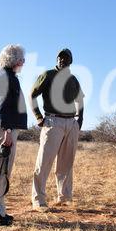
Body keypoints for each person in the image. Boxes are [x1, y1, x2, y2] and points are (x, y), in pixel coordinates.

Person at [31, 48, 84, 212]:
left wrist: (79, 121)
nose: (62, 60)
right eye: (60, 57)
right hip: (53, 120)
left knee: (66, 163)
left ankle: (65, 197)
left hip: (71, 123)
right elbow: (32, 95)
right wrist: (38, 116)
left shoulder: (73, 79)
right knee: (44, 161)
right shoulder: (47, 75)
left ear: (70, 61)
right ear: (56, 59)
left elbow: (80, 100)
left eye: (66, 58)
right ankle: (38, 199)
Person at [0, 44, 27, 226]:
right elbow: (2, 104)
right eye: (21, 58)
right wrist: (7, 130)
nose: (23, 62)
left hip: (3, 127)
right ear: (14, 59)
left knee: (4, 172)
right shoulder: (5, 77)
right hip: (3, 129)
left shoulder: (7, 76)